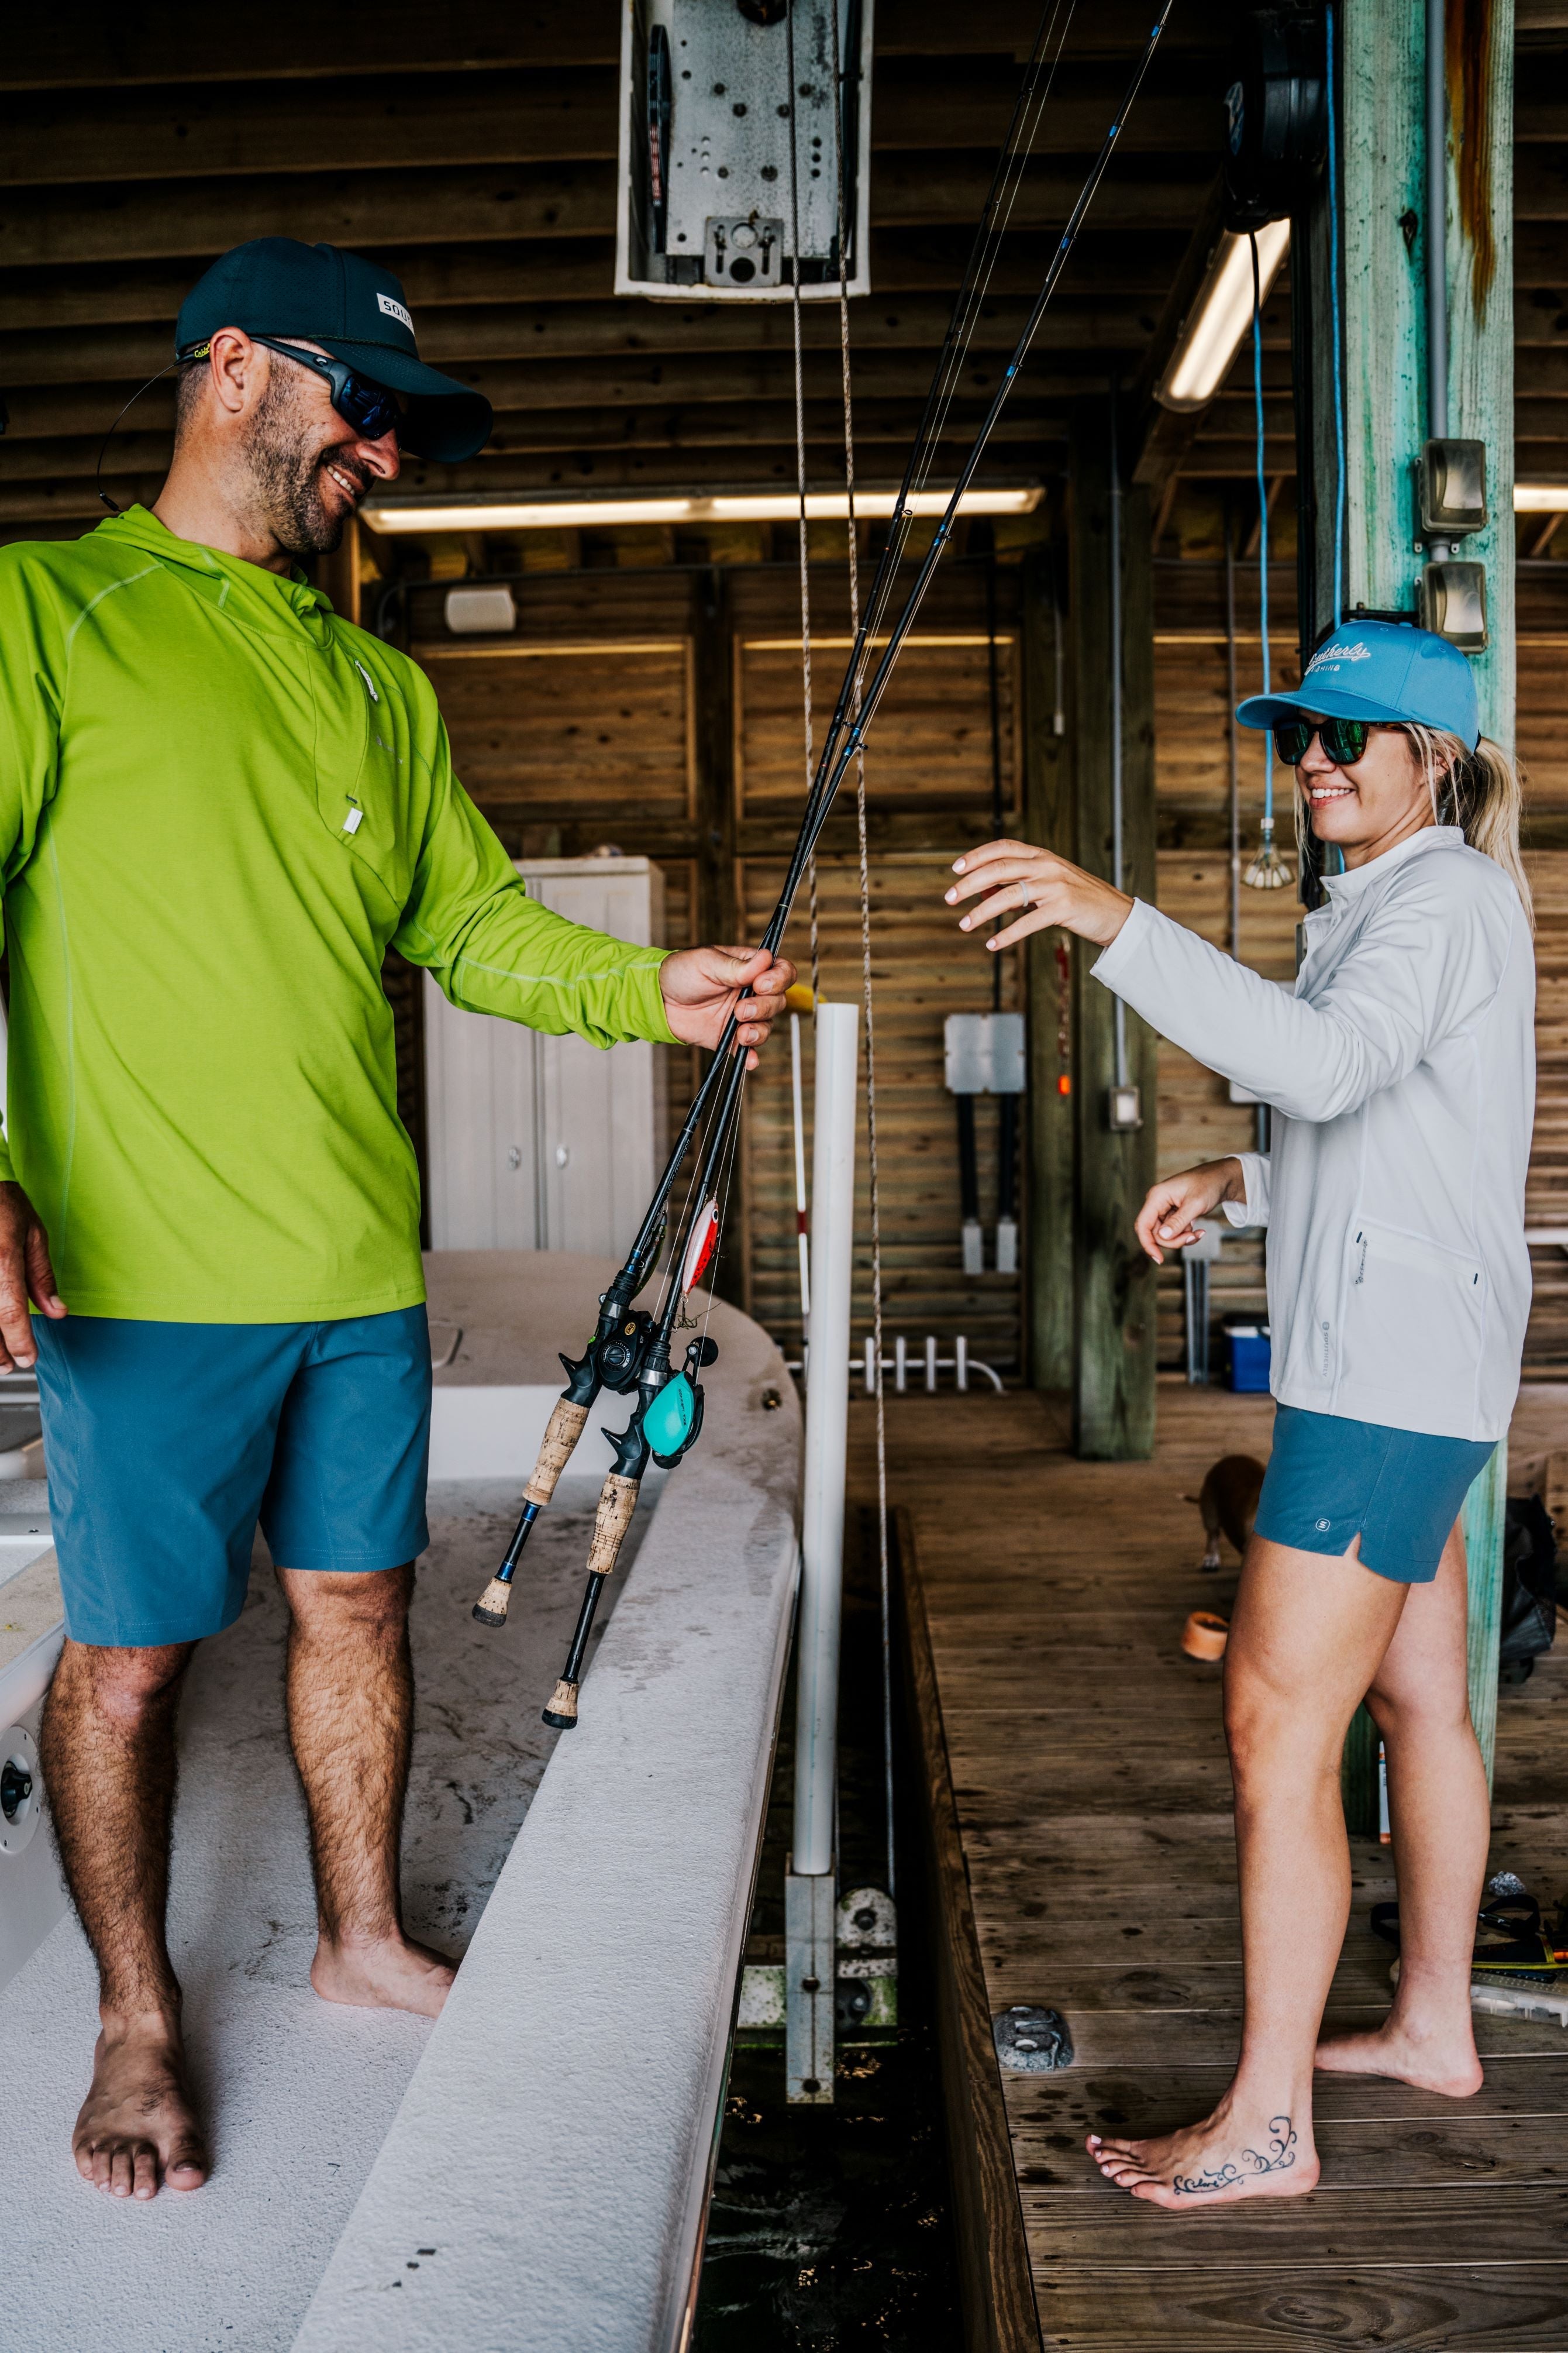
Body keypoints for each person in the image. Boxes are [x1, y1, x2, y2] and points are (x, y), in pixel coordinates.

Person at [0, 238, 793, 2204]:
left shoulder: (376, 685)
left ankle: (358, 1936)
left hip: (359, 1264)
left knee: (358, 1605)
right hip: (138, 1276)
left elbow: (475, 927)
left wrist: (654, 990)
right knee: (129, 1662)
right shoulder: (45, 615)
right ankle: (134, 2019)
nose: (388, 455)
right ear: (236, 371)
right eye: (367, 409)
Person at [945, 618, 1533, 2208]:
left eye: (1346, 736)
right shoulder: (1398, 901)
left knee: (1276, 1724)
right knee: (1420, 1700)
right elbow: (1400, 1128)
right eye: (1297, 737)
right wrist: (1241, 1181)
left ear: (1435, 760)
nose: (1312, 762)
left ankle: (1268, 2129)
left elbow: (1330, 1070)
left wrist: (1112, 918)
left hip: (1384, 1381)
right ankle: (1432, 2026)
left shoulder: (1442, 898)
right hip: (1417, 1366)